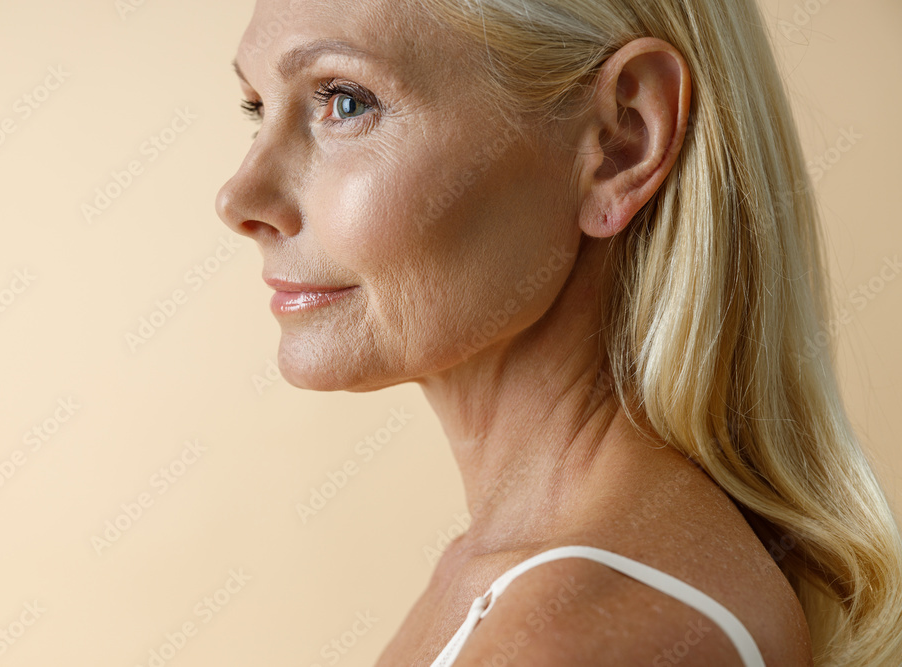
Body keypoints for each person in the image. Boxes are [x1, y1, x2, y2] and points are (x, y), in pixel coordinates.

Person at [214, 0, 902, 664]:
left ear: (620, 139)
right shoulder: (519, 572)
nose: (239, 199)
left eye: (345, 100)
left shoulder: (573, 632)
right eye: (257, 108)